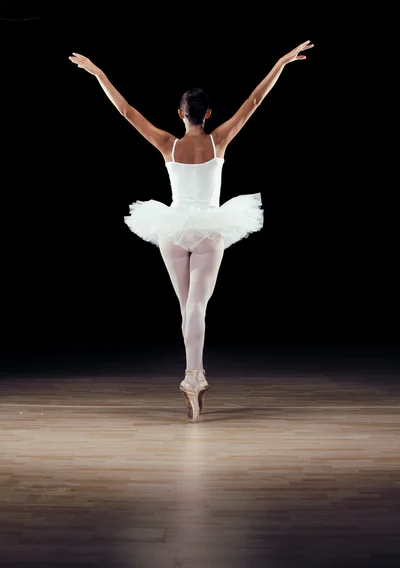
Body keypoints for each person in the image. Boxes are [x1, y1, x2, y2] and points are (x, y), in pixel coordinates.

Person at [69, 40, 314, 423]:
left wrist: (98, 73)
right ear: (208, 114)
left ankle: (192, 378)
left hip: (172, 228)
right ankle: (193, 378)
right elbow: (254, 102)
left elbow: (126, 111)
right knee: (196, 308)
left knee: (187, 309)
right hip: (209, 230)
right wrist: (280, 62)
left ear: (180, 114)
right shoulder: (218, 141)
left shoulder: (168, 143)